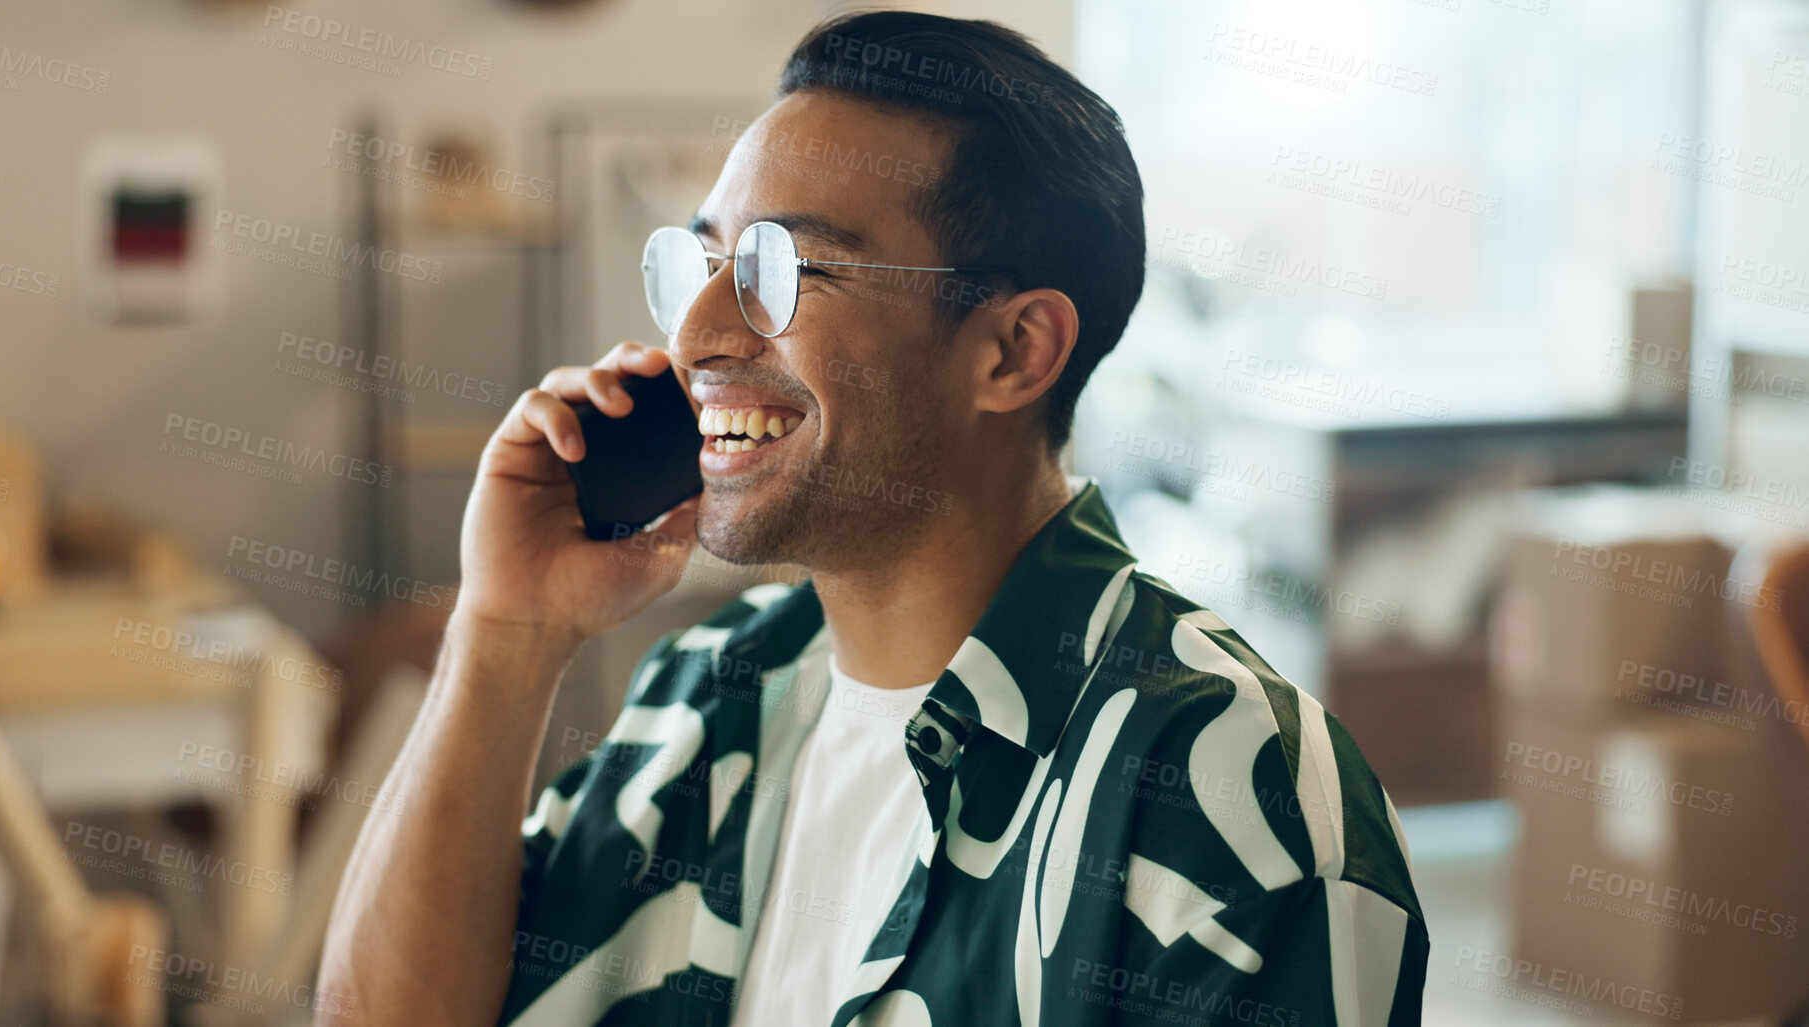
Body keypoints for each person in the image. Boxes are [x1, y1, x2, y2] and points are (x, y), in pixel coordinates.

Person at [318, 11, 1428, 1026]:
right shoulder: (706, 699)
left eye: (778, 270)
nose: (695, 334)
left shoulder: (1230, 792)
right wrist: (505, 632)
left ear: (1012, 350)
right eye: (702, 262)